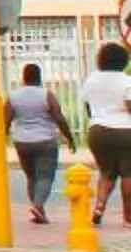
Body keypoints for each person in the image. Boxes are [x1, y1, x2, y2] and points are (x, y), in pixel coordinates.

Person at [7, 62, 75, 224]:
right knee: (45, 177)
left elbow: (6, 120)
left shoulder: (13, 97)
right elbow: (58, 116)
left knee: (32, 177)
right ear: (40, 77)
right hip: (45, 140)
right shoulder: (46, 95)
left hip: (22, 141)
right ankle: (38, 206)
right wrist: (69, 137)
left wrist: (2, 136)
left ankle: (38, 211)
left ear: (24, 77)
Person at [83, 40, 131, 223]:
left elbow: (88, 106)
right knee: (128, 174)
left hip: (97, 131)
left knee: (106, 172)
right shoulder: (126, 81)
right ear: (124, 61)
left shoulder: (91, 80)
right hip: (125, 131)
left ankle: (99, 207)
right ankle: (128, 217)